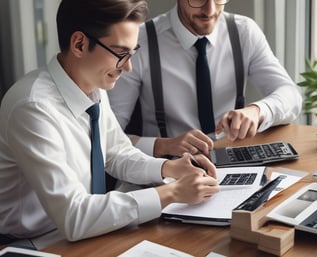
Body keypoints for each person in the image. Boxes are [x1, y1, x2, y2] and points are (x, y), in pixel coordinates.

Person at [0, 0, 219, 249]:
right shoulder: (32, 107)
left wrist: (169, 168)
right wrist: (172, 193)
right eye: (120, 53)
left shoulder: (92, 83)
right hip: (31, 244)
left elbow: (116, 154)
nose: (128, 67)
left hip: (86, 229)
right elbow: (74, 216)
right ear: (80, 44)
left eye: (132, 53)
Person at [108, 0, 303, 158]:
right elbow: (108, 135)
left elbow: (291, 96)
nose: (210, 10)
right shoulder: (139, 40)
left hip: (232, 164)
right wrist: (164, 145)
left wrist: (258, 110)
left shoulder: (244, 32)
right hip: (165, 171)